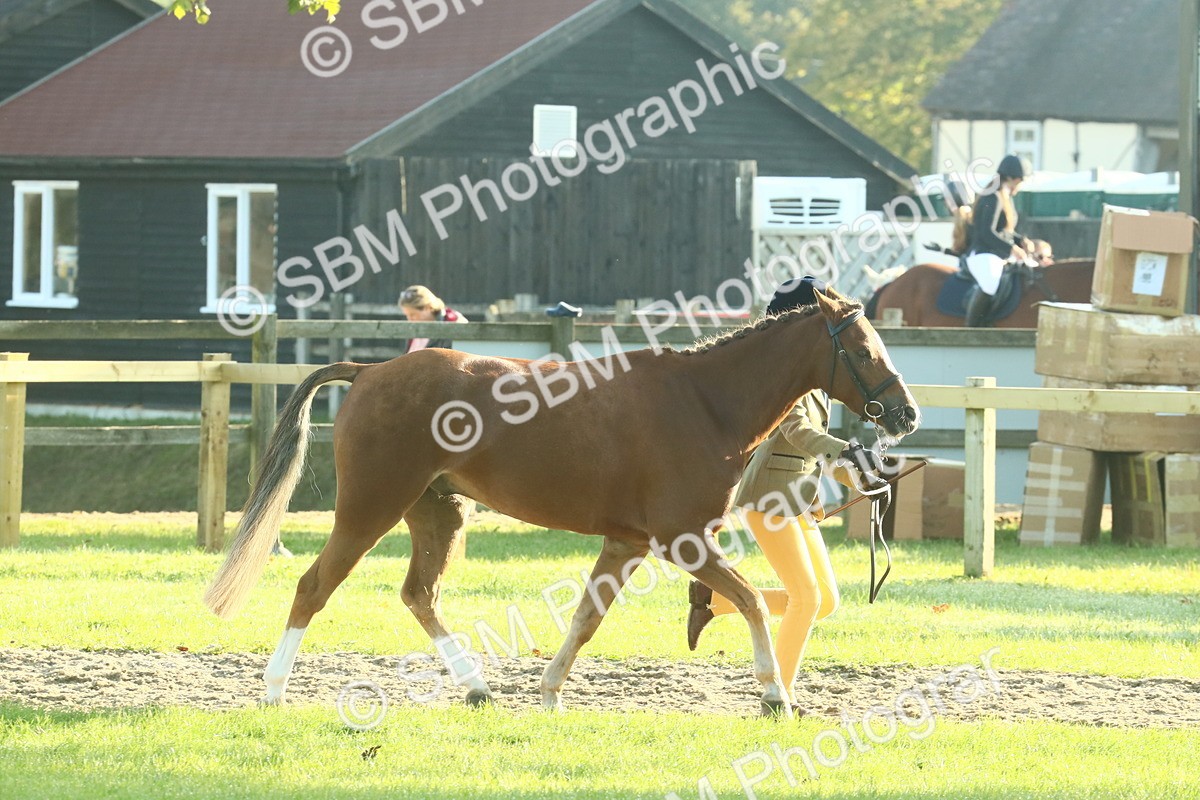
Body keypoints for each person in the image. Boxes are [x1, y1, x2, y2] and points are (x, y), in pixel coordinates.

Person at [686, 276, 885, 711]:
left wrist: (853, 482)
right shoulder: (779, 376)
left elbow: (810, 450)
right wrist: (845, 451)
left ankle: (714, 600)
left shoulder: (812, 371)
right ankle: (779, 697)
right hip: (769, 499)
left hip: (795, 498)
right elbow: (797, 430)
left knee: (826, 601)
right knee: (806, 598)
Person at [964, 155, 1032, 326]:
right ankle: (971, 328)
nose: (1020, 185)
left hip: (998, 254)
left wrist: (1021, 240)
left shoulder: (1006, 197)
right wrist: (1011, 249)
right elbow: (986, 232)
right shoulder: (992, 197)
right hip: (983, 254)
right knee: (990, 283)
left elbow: (1004, 232)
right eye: (1020, 181)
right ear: (1011, 178)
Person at [398, 285, 468, 353]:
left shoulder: (454, 322)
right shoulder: (416, 327)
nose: (409, 319)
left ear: (428, 307)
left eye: (413, 314)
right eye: (407, 315)